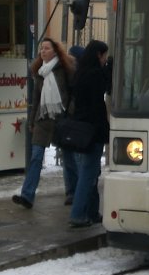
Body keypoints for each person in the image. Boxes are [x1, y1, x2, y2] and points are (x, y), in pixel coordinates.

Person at [13, 37, 74, 209]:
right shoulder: (39, 72)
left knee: (68, 157)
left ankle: (72, 192)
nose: (43, 51)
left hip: (61, 118)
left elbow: (72, 93)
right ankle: (27, 195)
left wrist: (70, 112)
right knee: (36, 156)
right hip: (43, 119)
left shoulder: (65, 69)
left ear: (55, 50)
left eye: (46, 48)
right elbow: (36, 99)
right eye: (41, 49)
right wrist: (32, 121)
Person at [68, 40, 111, 228]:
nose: (104, 60)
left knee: (91, 172)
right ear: (97, 55)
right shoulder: (95, 75)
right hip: (92, 131)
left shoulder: (80, 74)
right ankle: (77, 214)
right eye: (104, 56)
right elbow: (106, 87)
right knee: (88, 173)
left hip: (80, 130)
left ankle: (92, 212)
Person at [59, 44, 85, 206]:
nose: (71, 62)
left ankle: (73, 191)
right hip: (68, 119)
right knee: (70, 157)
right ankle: (72, 191)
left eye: (73, 59)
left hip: (74, 120)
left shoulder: (80, 75)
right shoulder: (63, 73)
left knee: (73, 157)